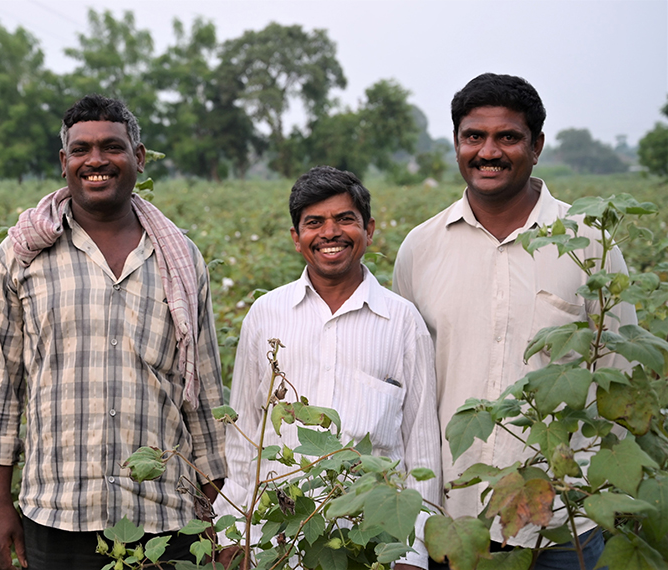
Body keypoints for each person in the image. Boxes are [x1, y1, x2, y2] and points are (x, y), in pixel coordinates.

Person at [393, 73, 636, 570]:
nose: (488, 152)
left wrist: (587, 484)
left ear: (536, 146)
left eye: (507, 137)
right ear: (456, 144)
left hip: (562, 522)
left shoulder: (589, 244)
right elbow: (403, 385)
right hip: (452, 516)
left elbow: (621, 376)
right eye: (473, 136)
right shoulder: (420, 248)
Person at [0, 94, 227, 570]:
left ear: (139, 157)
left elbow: (204, 389)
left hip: (164, 513)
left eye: (112, 147)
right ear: (64, 162)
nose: (96, 160)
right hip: (56, 511)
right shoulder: (21, 256)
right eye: (81, 149)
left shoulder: (180, 258)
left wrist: (214, 505)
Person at [221, 166, 441, 570]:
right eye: (314, 223)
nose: (330, 233)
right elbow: (243, 439)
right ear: (296, 237)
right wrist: (233, 534)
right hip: (280, 542)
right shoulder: (265, 314)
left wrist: (412, 552)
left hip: (372, 543)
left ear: (368, 230)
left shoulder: (403, 321)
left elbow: (422, 443)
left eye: (344, 219)